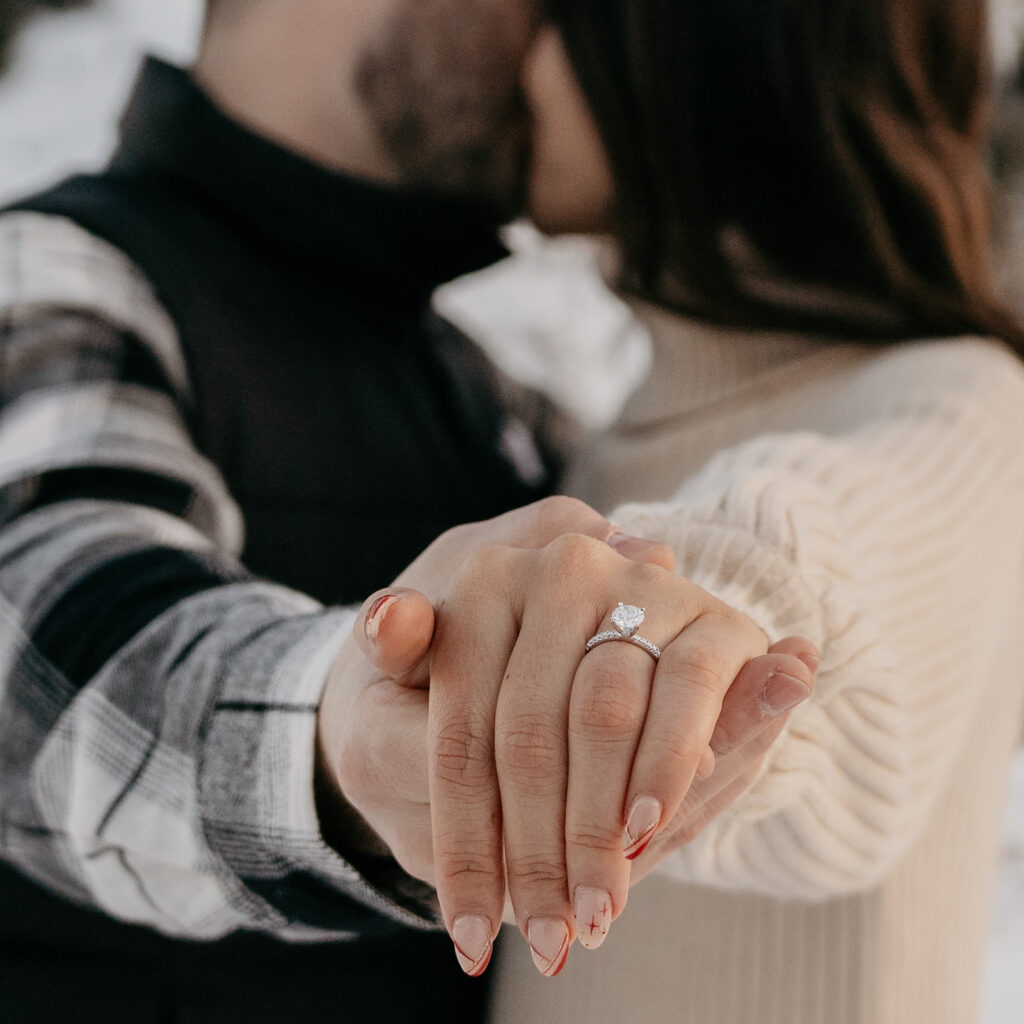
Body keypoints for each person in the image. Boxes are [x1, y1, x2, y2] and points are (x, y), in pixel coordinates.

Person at [0, 1, 816, 1021]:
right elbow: (50, 654)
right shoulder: (47, 274)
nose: (584, 42)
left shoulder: (476, 386)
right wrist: (338, 731)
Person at [451, 2, 1024, 1022]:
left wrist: (681, 631)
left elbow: (820, 599)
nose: (515, 51)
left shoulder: (960, 404)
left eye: (553, 14)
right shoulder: (606, 435)